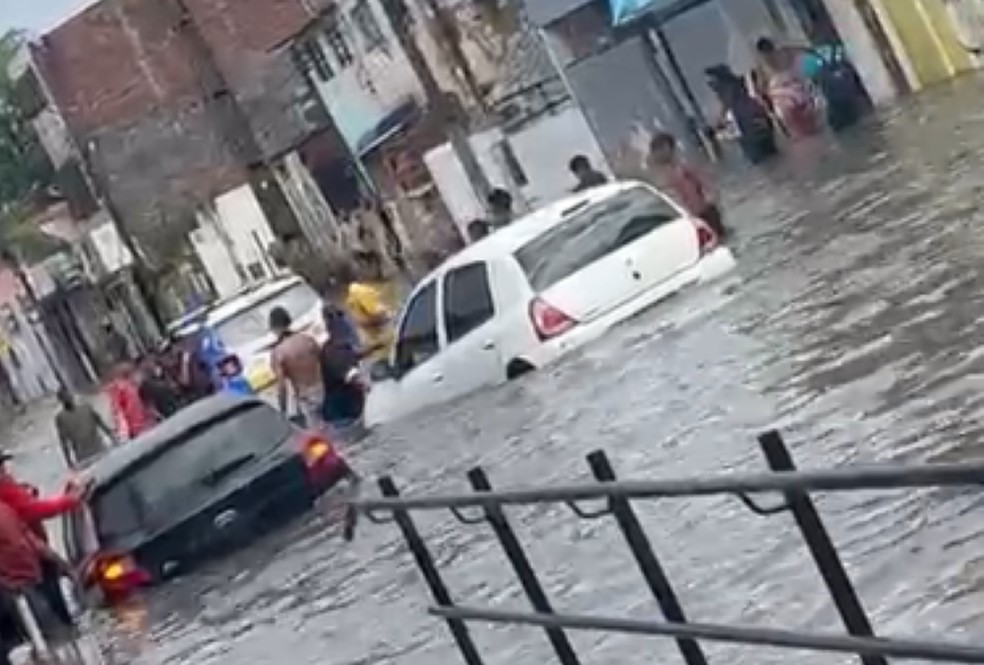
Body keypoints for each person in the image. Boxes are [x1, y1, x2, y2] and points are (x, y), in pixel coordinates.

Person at [648, 132, 727, 238]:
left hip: (702, 212)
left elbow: (704, 181)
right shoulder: (659, 174)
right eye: (656, 151)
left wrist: (711, 197)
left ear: (668, 149)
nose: (657, 154)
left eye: (659, 149)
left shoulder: (682, 166)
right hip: (686, 220)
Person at [706, 64, 779, 164]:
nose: (716, 92)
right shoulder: (741, 91)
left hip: (750, 128)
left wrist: (716, 127)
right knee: (773, 158)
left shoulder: (732, 94)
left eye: (715, 86)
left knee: (763, 161)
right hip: (757, 124)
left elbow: (725, 108)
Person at [270, 307, 326, 428]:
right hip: (325, 390)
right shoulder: (307, 340)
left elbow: (282, 386)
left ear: (273, 327)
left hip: (306, 399)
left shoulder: (278, 352)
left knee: (319, 435)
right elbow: (325, 361)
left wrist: (282, 412)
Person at [756, 37, 821, 139]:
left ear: (760, 53)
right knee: (812, 129)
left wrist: (767, 105)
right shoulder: (786, 52)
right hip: (799, 94)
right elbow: (807, 50)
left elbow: (761, 89)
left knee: (800, 135)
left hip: (784, 102)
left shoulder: (762, 66)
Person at [332, 266, 395, 370]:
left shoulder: (352, 294)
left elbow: (362, 318)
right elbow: (375, 313)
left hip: (373, 341)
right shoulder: (360, 292)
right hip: (381, 339)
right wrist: (388, 315)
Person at [320, 321, 369, 436]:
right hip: (342, 414)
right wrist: (369, 388)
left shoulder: (335, 348)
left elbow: (352, 356)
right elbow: (351, 376)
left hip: (344, 410)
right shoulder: (335, 352)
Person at [54, 388, 114, 470]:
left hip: (98, 449)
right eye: (64, 397)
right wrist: (69, 462)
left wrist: (113, 438)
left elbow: (102, 424)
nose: (67, 398)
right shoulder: (61, 418)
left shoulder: (86, 408)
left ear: (72, 396)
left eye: (68, 396)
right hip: (85, 457)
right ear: (61, 400)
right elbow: (64, 442)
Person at [106, 363, 154, 441]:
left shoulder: (127, 388)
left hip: (139, 428)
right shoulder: (123, 390)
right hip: (139, 429)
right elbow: (120, 413)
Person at [137, 355, 182, 421]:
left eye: (149, 361)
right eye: (145, 363)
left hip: (176, 407)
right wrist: (160, 417)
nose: (148, 364)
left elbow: (174, 388)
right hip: (166, 415)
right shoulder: (145, 385)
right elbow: (149, 406)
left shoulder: (163, 373)